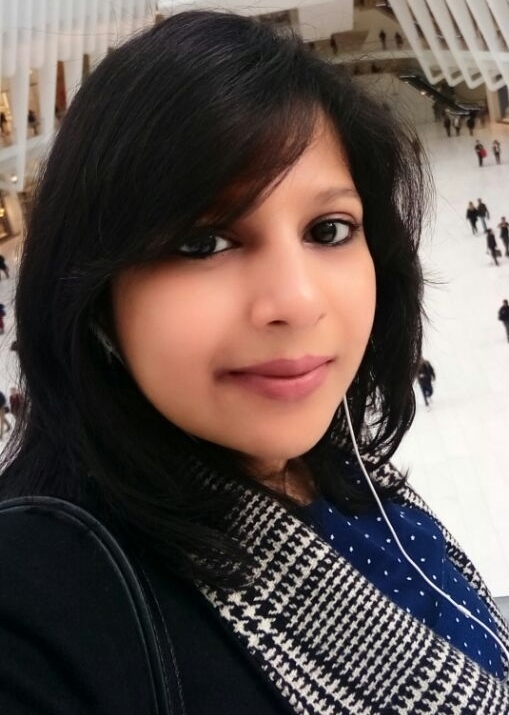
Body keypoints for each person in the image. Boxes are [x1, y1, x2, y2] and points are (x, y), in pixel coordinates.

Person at [0, 11, 508, 714]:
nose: (296, 302)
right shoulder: (47, 600)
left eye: (328, 229)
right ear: (93, 290)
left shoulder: (340, 472)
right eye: (204, 242)